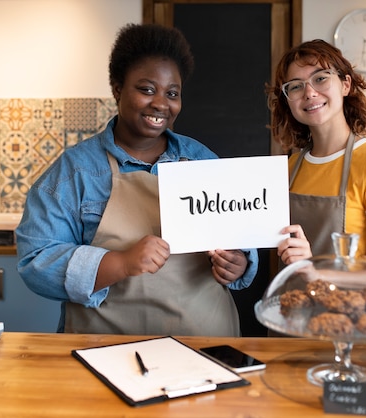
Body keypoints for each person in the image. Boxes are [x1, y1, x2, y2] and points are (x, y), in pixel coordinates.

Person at [16, 23, 258, 336]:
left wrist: (238, 262)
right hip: (103, 348)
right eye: (146, 89)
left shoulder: (201, 161)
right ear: (117, 88)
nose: (160, 103)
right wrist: (120, 263)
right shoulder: (76, 171)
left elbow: (241, 234)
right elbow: (36, 261)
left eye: (172, 93)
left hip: (201, 345)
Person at [267, 39, 366, 269]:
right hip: (291, 301)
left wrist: (314, 270)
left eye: (320, 78)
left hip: (346, 303)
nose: (309, 92)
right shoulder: (289, 168)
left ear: (345, 84)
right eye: (295, 86)